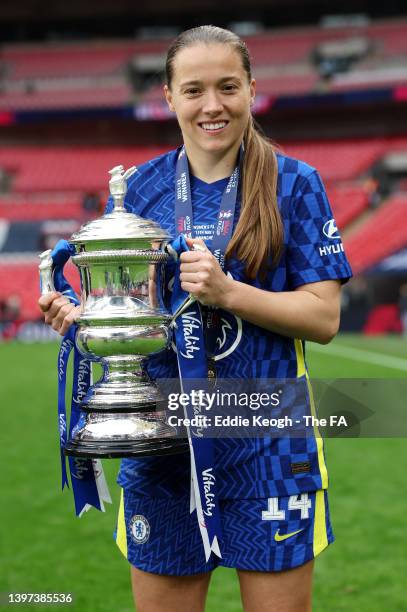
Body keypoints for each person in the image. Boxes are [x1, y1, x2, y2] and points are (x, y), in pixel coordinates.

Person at [38, 25, 352, 612]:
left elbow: (324, 316)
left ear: (252, 89)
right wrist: (82, 320)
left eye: (228, 86)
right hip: (160, 446)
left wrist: (229, 292)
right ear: (169, 96)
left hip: (270, 451)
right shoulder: (138, 190)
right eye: (194, 90)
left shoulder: (296, 183)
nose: (213, 105)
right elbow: (129, 308)